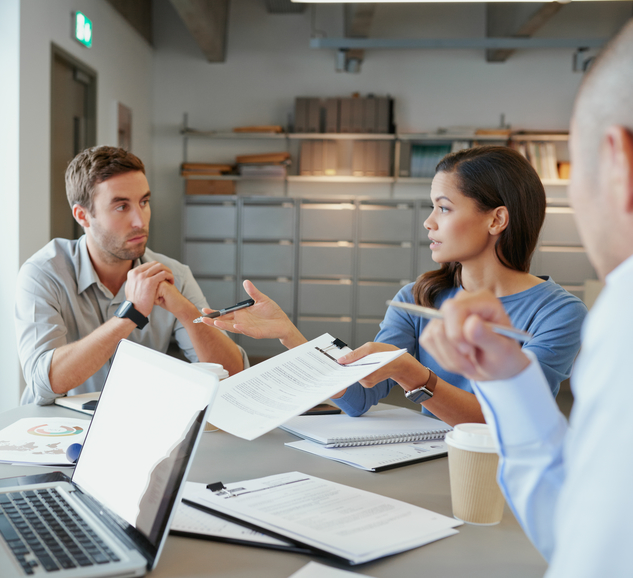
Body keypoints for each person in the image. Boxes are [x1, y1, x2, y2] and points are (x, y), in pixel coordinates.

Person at [418, 21, 633, 576]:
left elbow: (585, 557)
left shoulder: (615, 314)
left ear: (618, 165)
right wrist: (509, 382)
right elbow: (579, 522)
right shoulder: (427, 292)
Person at [202, 145, 587, 426]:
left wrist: (412, 373)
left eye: (444, 207)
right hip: (428, 466)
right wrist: (290, 337)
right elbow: (357, 397)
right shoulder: (418, 298)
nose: (429, 222)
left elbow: (506, 421)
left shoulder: (559, 313)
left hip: (503, 475)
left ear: (496, 219)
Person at [15, 146, 246, 405]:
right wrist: (130, 314)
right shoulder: (42, 274)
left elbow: (233, 377)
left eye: (144, 202)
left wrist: (184, 308)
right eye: (121, 206)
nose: (140, 220)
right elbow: (44, 384)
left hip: (137, 425)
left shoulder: (173, 276)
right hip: (57, 431)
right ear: (83, 216)